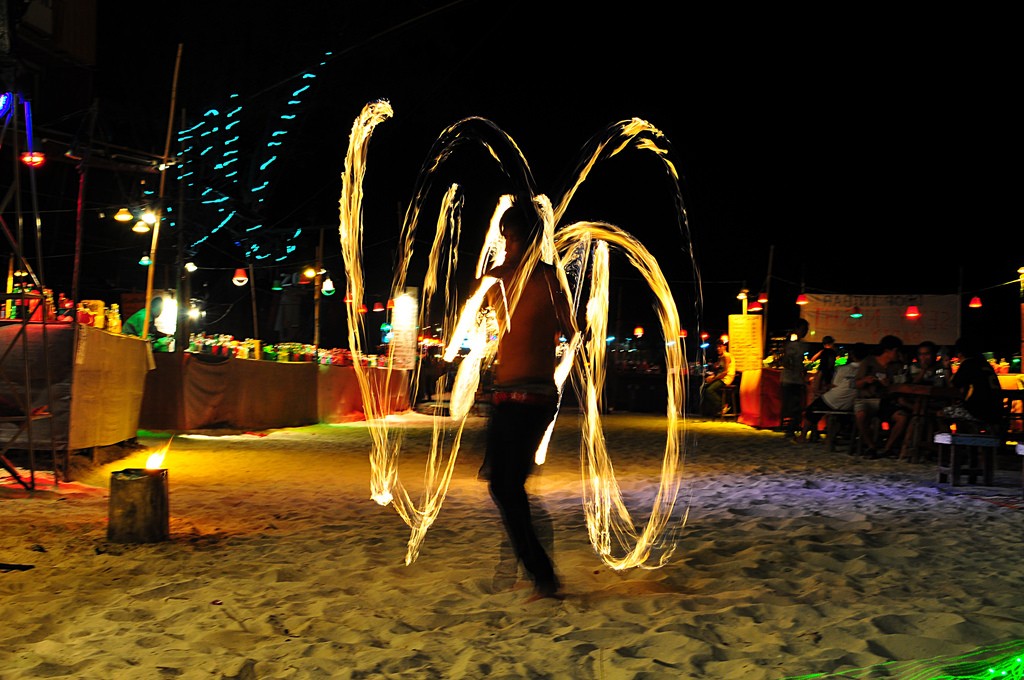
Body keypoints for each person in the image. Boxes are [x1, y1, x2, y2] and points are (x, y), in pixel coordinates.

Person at [478, 204, 574, 600]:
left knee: (505, 484)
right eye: (507, 238)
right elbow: (479, 319)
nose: (510, 245)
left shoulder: (548, 279)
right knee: (503, 484)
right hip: (504, 398)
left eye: (515, 238)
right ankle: (538, 569)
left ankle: (543, 576)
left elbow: (572, 329)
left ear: (532, 240)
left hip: (532, 398)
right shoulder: (499, 278)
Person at [853, 334, 910, 458]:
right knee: (861, 414)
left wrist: (889, 385)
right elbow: (855, 384)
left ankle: (887, 448)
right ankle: (871, 446)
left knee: (902, 417)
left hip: (885, 400)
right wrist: (866, 380)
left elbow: (901, 383)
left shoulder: (896, 366)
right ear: (890, 351)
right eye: (897, 351)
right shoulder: (869, 362)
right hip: (867, 399)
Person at [797, 342, 866, 442]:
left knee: (812, 411)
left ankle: (803, 436)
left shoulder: (843, 369)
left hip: (835, 399)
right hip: (852, 401)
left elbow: (834, 385)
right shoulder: (865, 369)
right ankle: (816, 434)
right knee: (817, 409)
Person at [939, 336, 1002, 430]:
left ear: (960, 353)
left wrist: (947, 367)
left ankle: (947, 442)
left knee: (940, 414)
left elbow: (952, 387)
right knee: (960, 410)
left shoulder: (968, 363)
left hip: (979, 411)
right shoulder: (985, 364)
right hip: (996, 411)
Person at [780, 318, 809, 438]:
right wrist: (795, 368)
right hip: (790, 378)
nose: (805, 332)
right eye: (803, 329)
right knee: (793, 404)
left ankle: (791, 427)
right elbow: (786, 361)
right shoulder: (793, 345)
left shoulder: (799, 345)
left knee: (795, 404)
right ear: (797, 329)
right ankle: (790, 428)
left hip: (794, 378)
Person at [701, 338, 735, 417]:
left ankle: (723, 406)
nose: (718, 348)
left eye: (720, 346)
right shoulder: (721, 357)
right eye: (717, 347)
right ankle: (711, 411)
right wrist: (711, 377)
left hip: (726, 378)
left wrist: (713, 379)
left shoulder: (727, 356)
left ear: (724, 347)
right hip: (721, 377)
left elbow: (725, 372)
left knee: (709, 390)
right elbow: (718, 371)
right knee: (705, 387)